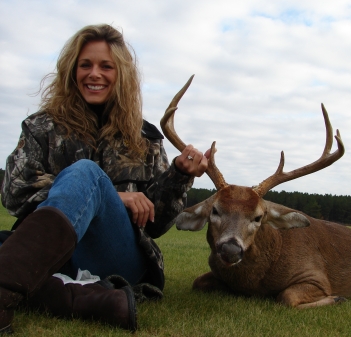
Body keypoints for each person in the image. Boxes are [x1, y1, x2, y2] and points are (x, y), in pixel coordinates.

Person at [0, 24, 210, 333]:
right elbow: (15, 193)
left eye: (106, 66)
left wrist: (178, 175)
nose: (94, 74)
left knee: (86, 173)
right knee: (86, 182)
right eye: (85, 65)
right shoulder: (41, 127)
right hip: (51, 254)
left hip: (117, 256)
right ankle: (87, 299)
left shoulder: (145, 138)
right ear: (73, 71)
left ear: (121, 74)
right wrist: (115, 196)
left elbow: (156, 223)